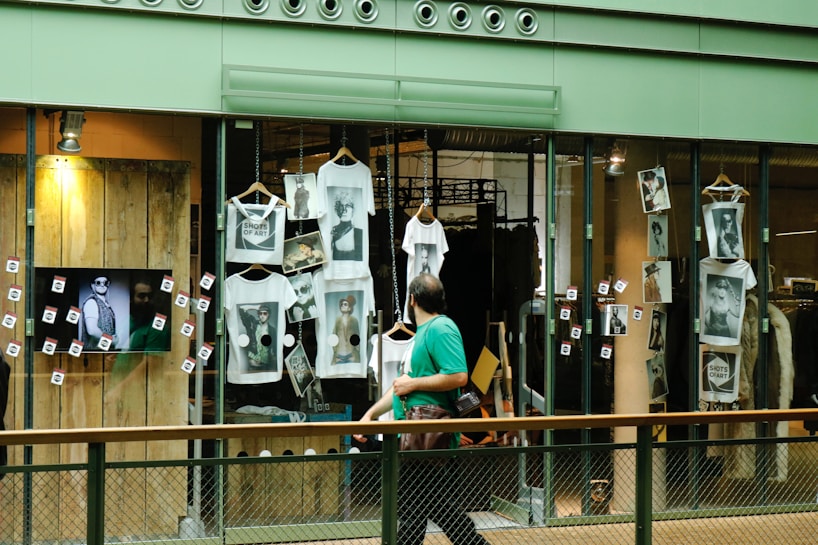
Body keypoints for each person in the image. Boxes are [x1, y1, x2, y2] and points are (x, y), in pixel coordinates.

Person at [354, 273, 490, 545]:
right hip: (418, 434)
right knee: (427, 506)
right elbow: (400, 388)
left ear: (412, 299)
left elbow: (459, 375)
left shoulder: (441, 328)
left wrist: (412, 384)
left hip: (427, 435)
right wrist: (370, 415)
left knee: (422, 505)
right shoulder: (423, 334)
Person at [127, 276, 170, 352]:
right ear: (131, 298)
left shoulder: (157, 328)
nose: (147, 300)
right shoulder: (126, 320)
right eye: (142, 296)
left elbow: (150, 362)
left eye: (149, 296)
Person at [81, 275, 118, 349]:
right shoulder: (91, 302)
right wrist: (111, 340)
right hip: (94, 353)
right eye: (98, 282)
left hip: (104, 353)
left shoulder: (106, 304)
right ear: (92, 286)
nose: (102, 285)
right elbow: (92, 331)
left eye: (105, 282)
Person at [240, 304, 276, 370]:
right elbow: (241, 309)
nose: (262, 316)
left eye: (265, 314)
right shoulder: (252, 324)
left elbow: (274, 348)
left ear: (269, 315)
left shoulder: (272, 330)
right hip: (253, 363)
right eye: (260, 313)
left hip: (266, 365)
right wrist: (256, 307)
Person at [330, 191, 363, 261]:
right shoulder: (332, 233)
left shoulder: (360, 233)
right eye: (341, 206)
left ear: (353, 210)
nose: (344, 210)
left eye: (348, 206)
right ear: (337, 210)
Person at [332, 295, 360, 364]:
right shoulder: (337, 320)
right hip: (339, 355)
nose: (343, 306)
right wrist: (335, 351)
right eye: (341, 304)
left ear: (350, 308)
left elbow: (357, 336)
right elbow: (334, 335)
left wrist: (356, 351)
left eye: (345, 304)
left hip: (351, 354)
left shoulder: (354, 320)